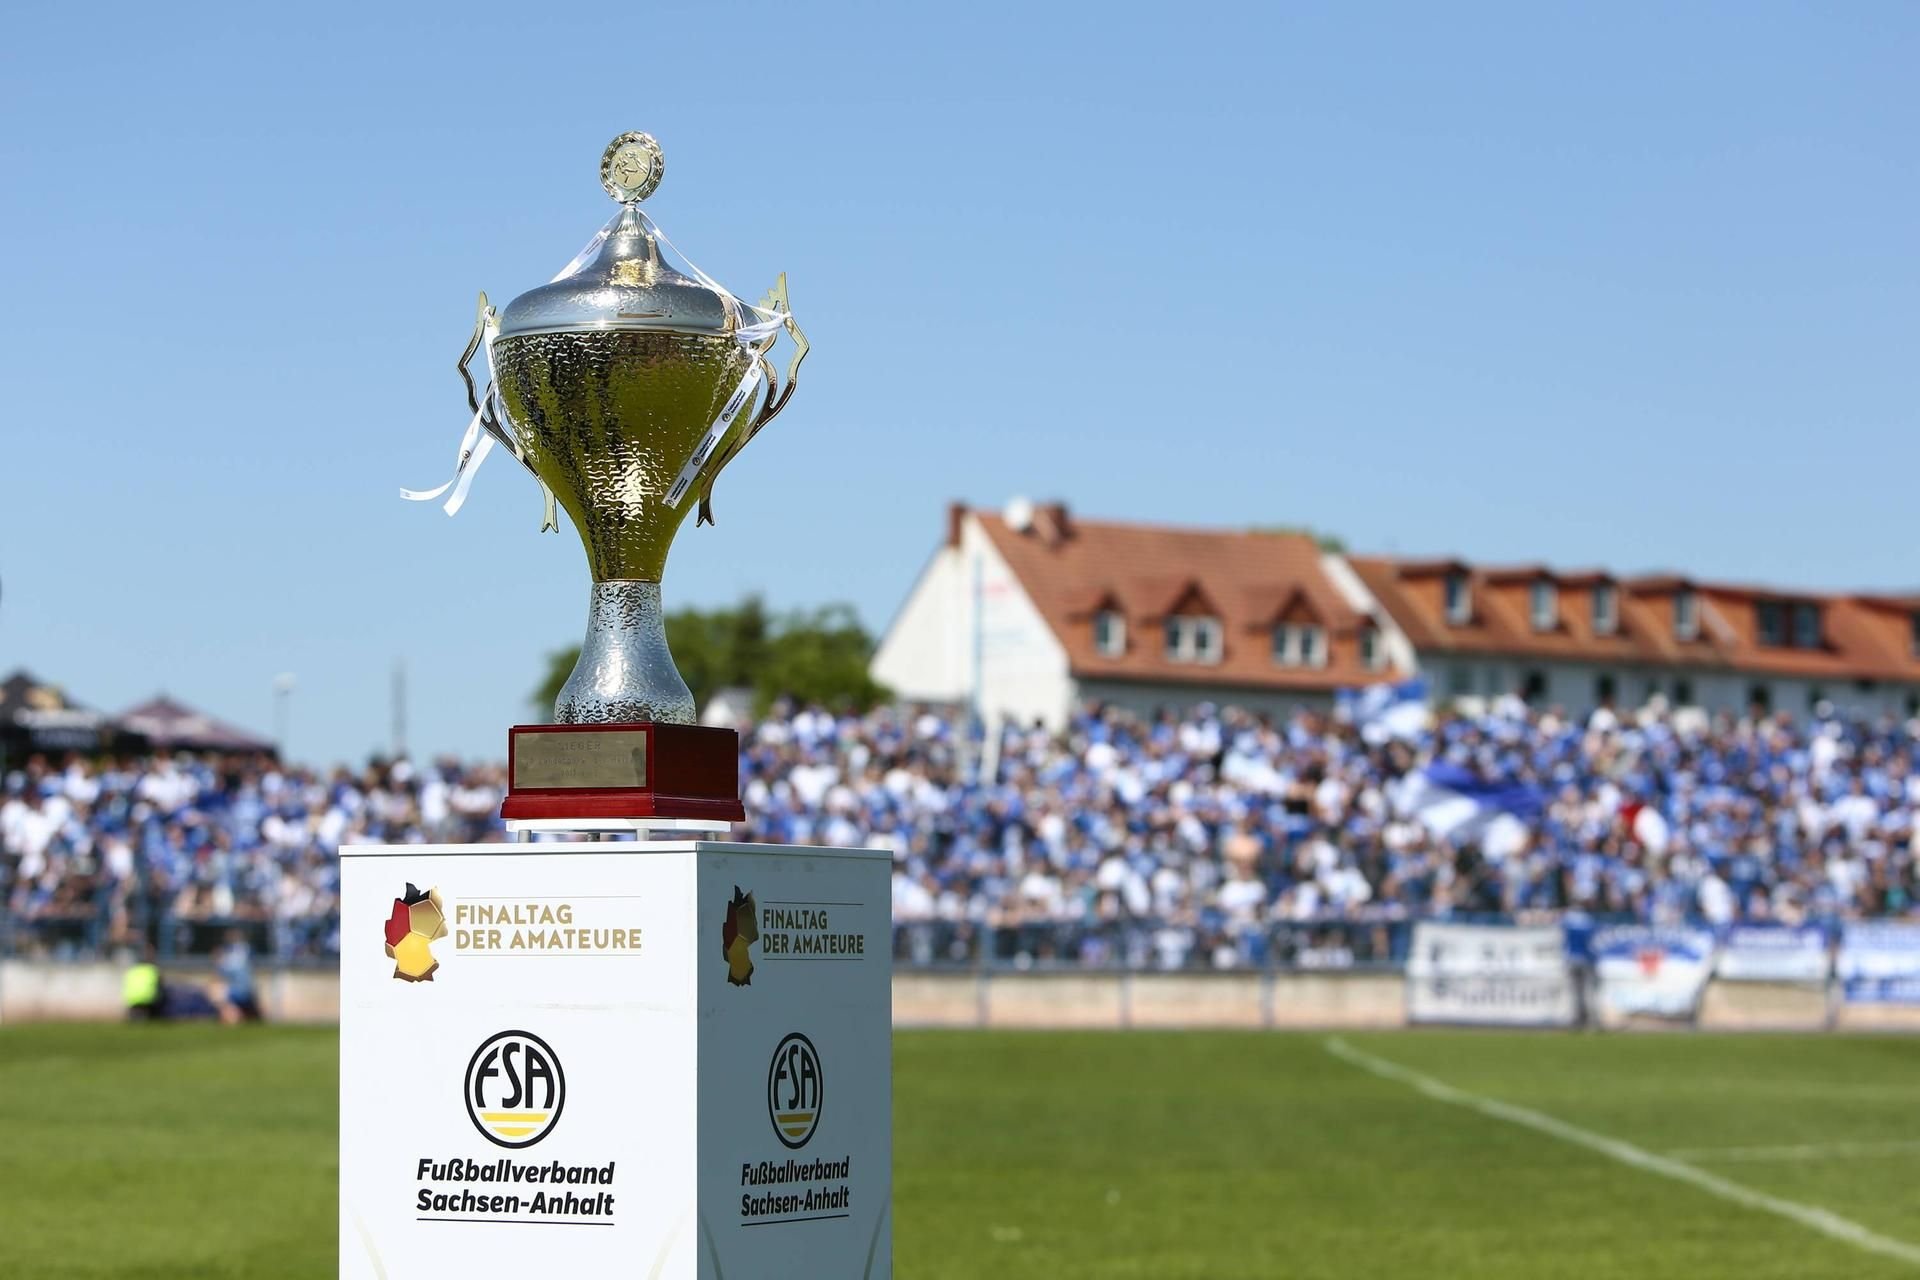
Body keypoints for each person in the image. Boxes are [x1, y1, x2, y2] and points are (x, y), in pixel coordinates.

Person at [216, 928, 263, 1023]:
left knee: (251, 1013)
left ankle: (236, 1016)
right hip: (238, 988)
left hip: (244, 988)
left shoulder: (243, 950)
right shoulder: (229, 952)